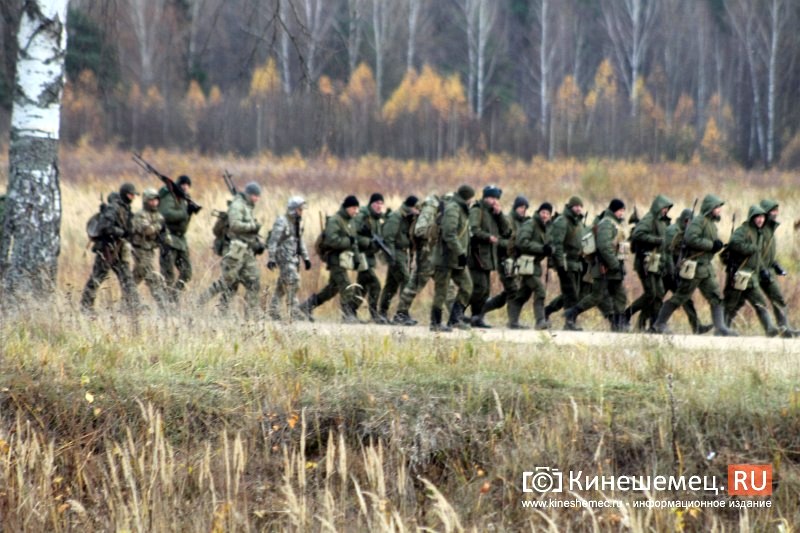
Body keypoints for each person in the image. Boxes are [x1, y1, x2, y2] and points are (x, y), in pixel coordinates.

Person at [652, 194, 738, 336]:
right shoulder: (698, 221)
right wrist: (711, 245)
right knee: (681, 296)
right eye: (717, 207)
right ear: (710, 208)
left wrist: (717, 246)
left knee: (715, 296)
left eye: (719, 207)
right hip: (695, 268)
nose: (719, 210)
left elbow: (707, 243)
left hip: (706, 268)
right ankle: (659, 323)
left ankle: (720, 328)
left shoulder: (710, 224)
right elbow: (691, 239)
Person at [726, 199, 798, 337]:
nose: (775, 213)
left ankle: (784, 328)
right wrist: (763, 268)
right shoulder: (758, 230)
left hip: (765, 271)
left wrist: (775, 264)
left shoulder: (769, 229)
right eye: (772, 211)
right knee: (738, 301)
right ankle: (723, 326)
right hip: (754, 271)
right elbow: (753, 252)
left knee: (777, 298)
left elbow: (765, 253)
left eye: (776, 210)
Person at [197, 182, 264, 317]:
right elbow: (234, 225)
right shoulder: (237, 206)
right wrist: (253, 226)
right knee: (228, 281)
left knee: (254, 281)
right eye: (255, 195)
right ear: (249, 195)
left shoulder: (247, 206)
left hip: (246, 250)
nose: (257, 198)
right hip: (234, 249)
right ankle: (199, 302)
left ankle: (251, 313)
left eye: (258, 196)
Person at [564, 199, 629, 331]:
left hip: (613, 267)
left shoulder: (615, 224)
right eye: (621, 210)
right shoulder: (606, 224)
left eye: (623, 210)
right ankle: (572, 313)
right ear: (615, 210)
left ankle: (618, 324)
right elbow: (603, 246)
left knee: (620, 295)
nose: (622, 213)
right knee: (597, 296)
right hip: (605, 267)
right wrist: (614, 264)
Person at [80, 183, 142, 315]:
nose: (133, 197)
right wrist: (120, 232)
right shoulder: (113, 208)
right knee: (97, 277)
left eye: (134, 195)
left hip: (119, 249)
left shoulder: (126, 209)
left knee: (127, 279)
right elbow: (104, 227)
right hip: (107, 249)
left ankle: (133, 307)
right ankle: (86, 306)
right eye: (131, 194)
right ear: (126, 194)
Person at [299, 196, 361, 322]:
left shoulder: (350, 221)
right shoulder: (335, 221)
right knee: (345, 285)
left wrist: (357, 258)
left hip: (345, 259)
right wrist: (347, 241)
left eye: (357, 208)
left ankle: (307, 306)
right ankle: (348, 315)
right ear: (347, 207)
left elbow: (353, 242)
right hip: (335, 259)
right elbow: (331, 240)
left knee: (332, 289)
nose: (356, 211)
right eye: (354, 208)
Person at [722, 205, 778, 336]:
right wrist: (750, 248)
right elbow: (733, 243)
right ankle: (722, 329)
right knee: (731, 304)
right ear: (752, 217)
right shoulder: (743, 230)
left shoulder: (759, 234)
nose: (761, 220)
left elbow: (757, 256)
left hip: (751, 276)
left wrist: (763, 270)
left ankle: (770, 329)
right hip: (739, 274)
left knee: (760, 302)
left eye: (763, 217)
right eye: (758, 217)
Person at [392, 194, 443, 325]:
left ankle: (455, 317)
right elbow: (419, 231)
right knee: (415, 284)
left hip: (431, 253)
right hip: (427, 254)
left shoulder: (433, 209)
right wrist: (436, 229)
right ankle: (401, 314)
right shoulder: (429, 210)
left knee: (445, 284)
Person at [624, 195, 673, 331]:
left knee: (659, 293)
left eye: (667, 209)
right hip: (646, 262)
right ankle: (627, 314)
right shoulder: (649, 219)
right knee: (651, 293)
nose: (665, 211)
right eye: (664, 208)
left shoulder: (661, 222)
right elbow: (638, 234)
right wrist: (656, 240)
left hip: (656, 263)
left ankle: (654, 325)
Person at [431, 185, 475, 331]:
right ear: (467, 197)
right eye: (471, 198)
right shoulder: (453, 209)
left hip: (456, 259)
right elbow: (449, 233)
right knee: (441, 292)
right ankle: (435, 323)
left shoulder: (462, 209)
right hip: (445, 258)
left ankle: (455, 320)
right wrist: (461, 252)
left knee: (467, 286)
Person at [662, 208, 712, 334]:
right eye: (690, 222)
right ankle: (649, 323)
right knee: (655, 298)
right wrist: (671, 270)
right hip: (666, 270)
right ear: (685, 220)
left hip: (677, 270)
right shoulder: (672, 231)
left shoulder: (687, 233)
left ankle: (696, 327)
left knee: (685, 299)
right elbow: (667, 252)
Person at [480, 195, 529, 324]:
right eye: (521, 207)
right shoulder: (507, 220)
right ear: (515, 207)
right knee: (513, 290)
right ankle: (513, 321)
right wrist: (514, 245)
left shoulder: (523, 222)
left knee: (509, 293)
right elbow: (499, 240)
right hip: (505, 261)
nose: (523, 210)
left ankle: (480, 310)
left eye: (525, 208)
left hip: (516, 262)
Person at [467, 185, 511, 328]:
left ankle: (476, 317)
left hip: (488, 257)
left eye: (496, 198)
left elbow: (507, 231)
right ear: (485, 197)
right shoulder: (477, 210)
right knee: (480, 287)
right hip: (477, 254)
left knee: (485, 290)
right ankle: (458, 312)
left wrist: (499, 214)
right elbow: (473, 230)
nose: (493, 201)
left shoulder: (494, 213)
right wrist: (488, 237)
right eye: (491, 198)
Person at [507, 202, 553, 329]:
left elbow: (547, 246)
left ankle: (513, 321)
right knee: (540, 290)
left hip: (534, 265)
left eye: (548, 213)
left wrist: (549, 250)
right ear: (539, 212)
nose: (545, 215)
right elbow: (522, 242)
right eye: (543, 212)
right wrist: (542, 248)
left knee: (523, 294)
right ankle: (540, 321)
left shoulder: (545, 228)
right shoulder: (531, 224)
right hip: (525, 264)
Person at [267, 196, 311, 321]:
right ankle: (294, 311)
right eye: (299, 210)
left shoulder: (296, 223)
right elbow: (273, 241)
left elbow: (300, 241)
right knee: (293, 281)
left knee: (282, 285)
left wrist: (306, 258)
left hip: (292, 257)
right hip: (283, 257)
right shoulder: (282, 221)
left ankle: (273, 310)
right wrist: (271, 258)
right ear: (293, 210)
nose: (301, 212)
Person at [546, 196, 588, 323]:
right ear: (570, 207)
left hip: (577, 263)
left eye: (580, 206)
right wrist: (559, 265)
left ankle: (546, 311)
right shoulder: (562, 221)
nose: (579, 209)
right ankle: (570, 322)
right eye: (576, 206)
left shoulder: (579, 222)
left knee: (572, 293)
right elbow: (557, 244)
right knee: (571, 295)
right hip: (565, 263)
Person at [378, 196, 419, 321]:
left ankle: (382, 313)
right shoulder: (396, 217)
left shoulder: (407, 217)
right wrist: (391, 257)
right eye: (416, 208)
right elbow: (388, 238)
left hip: (402, 253)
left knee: (391, 285)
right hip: (395, 252)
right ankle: (401, 314)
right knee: (406, 281)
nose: (418, 211)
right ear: (411, 207)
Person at [130, 188, 169, 310]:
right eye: (152, 201)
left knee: (135, 278)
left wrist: (167, 242)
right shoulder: (140, 215)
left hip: (150, 250)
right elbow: (147, 230)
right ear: (146, 201)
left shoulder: (158, 215)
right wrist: (158, 226)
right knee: (152, 278)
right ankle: (163, 306)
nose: (154, 203)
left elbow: (164, 231)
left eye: (156, 200)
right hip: (141, 250)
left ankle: (126, 303)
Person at [159, 175, 195, 302]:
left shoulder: (184, 199)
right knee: (167, 276)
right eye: (183, 184)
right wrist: (185, 212)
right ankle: (165, 305)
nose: (185, 186)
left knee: (187, 272)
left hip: (181, 241)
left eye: (188, 184)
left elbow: (184, 223)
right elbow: (166, 214)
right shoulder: (169, 196)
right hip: (169, 239)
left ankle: (172, 297)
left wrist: (190, 211)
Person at [354, 193, 387, 323]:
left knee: (362, 287)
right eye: (377, 203)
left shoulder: (377, 219)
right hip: (361, 256)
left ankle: (348, 311)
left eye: (381, 203)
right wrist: (368, 242)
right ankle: (374, 315)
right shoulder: (362, 216)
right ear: (371, 204)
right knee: (375, 285)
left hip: (369, 257)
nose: (379, 206)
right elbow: (354, 235)